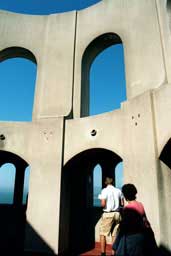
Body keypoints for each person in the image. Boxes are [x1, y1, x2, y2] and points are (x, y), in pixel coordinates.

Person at [112, 183, 158, 256]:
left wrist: (115, 245)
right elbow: (145, 221)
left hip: (132, 240)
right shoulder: (140, 204)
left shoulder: (127, 208)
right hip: (142, 237)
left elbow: (123, 227)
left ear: (125, 196)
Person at [98, 176, 124, 256]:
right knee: (114, 235)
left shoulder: (104, 191)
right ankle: (114, 253)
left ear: (105, 182)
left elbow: (103, 204)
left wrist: (101, 201)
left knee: (102, 234)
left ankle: (103, 253)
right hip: (117, 214)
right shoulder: (118, 191)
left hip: (108, 214)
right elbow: (122, 204)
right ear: (113, 182)